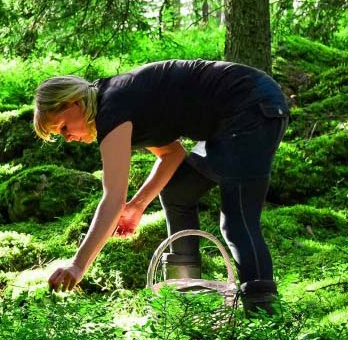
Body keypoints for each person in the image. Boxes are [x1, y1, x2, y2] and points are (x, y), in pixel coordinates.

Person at [32, 59, 289, 314]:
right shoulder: (118, 102)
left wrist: (77, 266)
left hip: (250, 108)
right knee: (179, 191)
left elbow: (112, 200)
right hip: (237, 117)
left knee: (237, 220)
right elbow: (172, 155)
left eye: (63, 127)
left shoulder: (111, 109)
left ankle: (264, 317)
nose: (67, 137)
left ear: (73, 103)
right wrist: (136, 207)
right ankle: (187, 293)